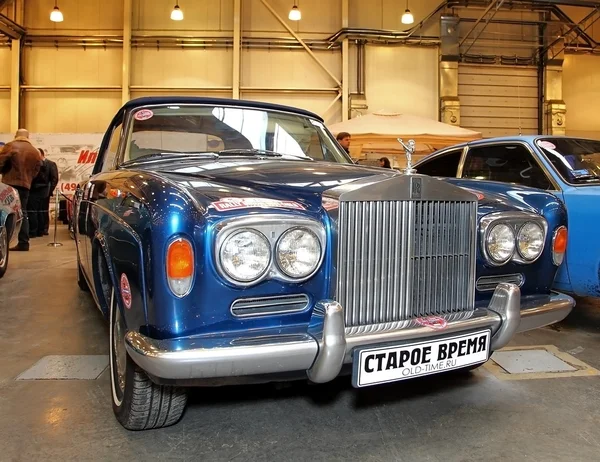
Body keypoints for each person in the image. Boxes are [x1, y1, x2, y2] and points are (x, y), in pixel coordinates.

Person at [0, 128, 42, 251]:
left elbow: (1, 162)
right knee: (23, 212)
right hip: (25, 185)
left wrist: (3, 171)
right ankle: (24, 242)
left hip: (9, 183)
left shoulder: (10, 146)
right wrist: (29, 178)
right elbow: (37, 169)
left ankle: (4, 243)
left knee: (5, 211)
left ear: (16, 135)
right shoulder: (35, 151)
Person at [28, 149, 51, 238]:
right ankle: (40, 230)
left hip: (35, 190)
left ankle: (33, 231)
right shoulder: (44, 165)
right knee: (40, 212)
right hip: (42, 190)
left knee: (33, 212)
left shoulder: (36, 165)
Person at [39, 149, 58, 235]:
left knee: (44, 210)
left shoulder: (51, 164)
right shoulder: (35, 164)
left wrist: (49, 190)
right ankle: (38, 229)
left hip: (46, 191)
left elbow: (54, 179)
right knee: (36, 211)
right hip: (35, 192)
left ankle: (44, 229)